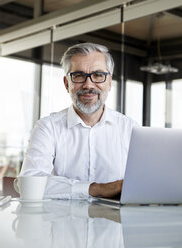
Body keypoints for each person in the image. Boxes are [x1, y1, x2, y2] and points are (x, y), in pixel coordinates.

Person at [20, 43, 138, 199]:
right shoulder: (47, 127)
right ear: (66, 83)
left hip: (116, 221)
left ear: (109, 82)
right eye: (78, 76)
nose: (88, 85)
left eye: (97, 75)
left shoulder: (130, 128)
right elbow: (31, 183)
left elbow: (143, 181)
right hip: (62, 220)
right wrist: (96, 189)